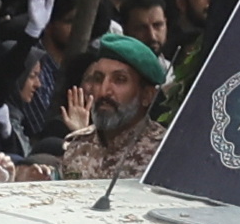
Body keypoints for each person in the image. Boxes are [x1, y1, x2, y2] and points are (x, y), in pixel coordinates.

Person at [57, 34, 166, 182]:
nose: (104, 91)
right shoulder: (77, 146)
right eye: (98, 79)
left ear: (147, 95)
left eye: (120, 80)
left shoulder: (162, 152)